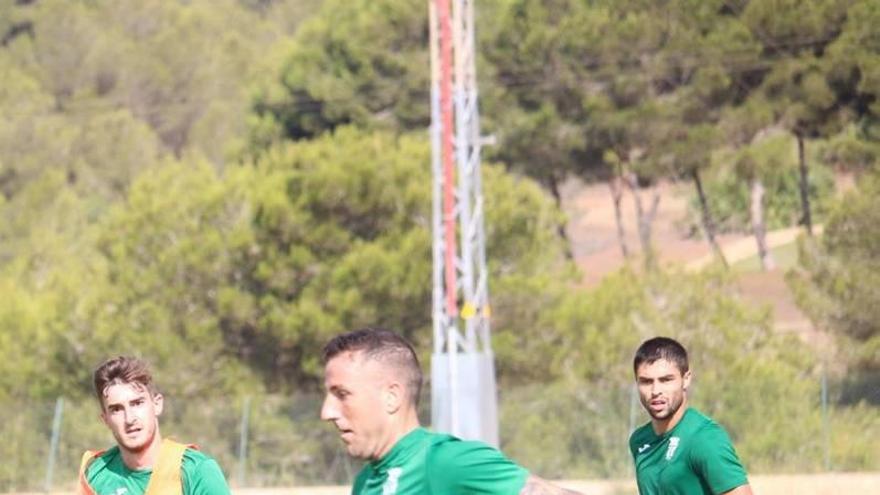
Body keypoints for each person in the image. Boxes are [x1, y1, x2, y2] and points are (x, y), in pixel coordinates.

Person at [320, 327, 582, 495]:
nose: (327, 412)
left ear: (392, 397)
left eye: (342, 394)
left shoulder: (445, 462)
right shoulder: (365, 483)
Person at [78, 356, 231, 495]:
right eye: (117, 409)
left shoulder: (196, 471)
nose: (129, 418)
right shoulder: (97, 476)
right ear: (105, 419)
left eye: (137, 403)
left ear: (157, 404)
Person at [629, 337, 752, 495]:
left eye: (666, 380)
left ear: (685, 380)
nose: (655, 391)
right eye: (646, 382)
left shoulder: (704, 438)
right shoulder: (639, 440)